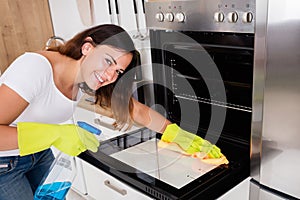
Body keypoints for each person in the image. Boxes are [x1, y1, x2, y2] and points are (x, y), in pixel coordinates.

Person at [0, 24, 222, 200]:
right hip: (4, 166)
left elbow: (137, 111)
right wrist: (55, 134)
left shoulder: (85, 79)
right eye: (108, 61)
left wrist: (175, 134)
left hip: (38, 154)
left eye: (118, 71)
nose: (109, 75)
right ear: (87, 47)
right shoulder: (35, 68)